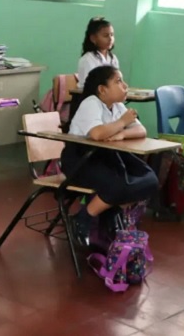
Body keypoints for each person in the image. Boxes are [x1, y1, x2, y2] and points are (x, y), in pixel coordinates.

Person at [63, 66, 158, 247]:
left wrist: (122, 134)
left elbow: (141, 130)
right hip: (81, 160)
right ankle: (83, 217)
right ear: (102, 89)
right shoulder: (91, 102)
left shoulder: (117, 106)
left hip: (109, 158)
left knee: (150, 180)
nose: (125, 85)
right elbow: (97, 134)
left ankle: (110, 210)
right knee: (119, 185)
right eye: (118, 81)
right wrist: (122, 123)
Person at [77, 17, 119, 89]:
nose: (110, 39)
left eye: (112, 35)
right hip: (89, 96)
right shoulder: (87, 59)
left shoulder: (113, 58)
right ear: (93, 38)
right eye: (106, 36)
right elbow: (90, 85)